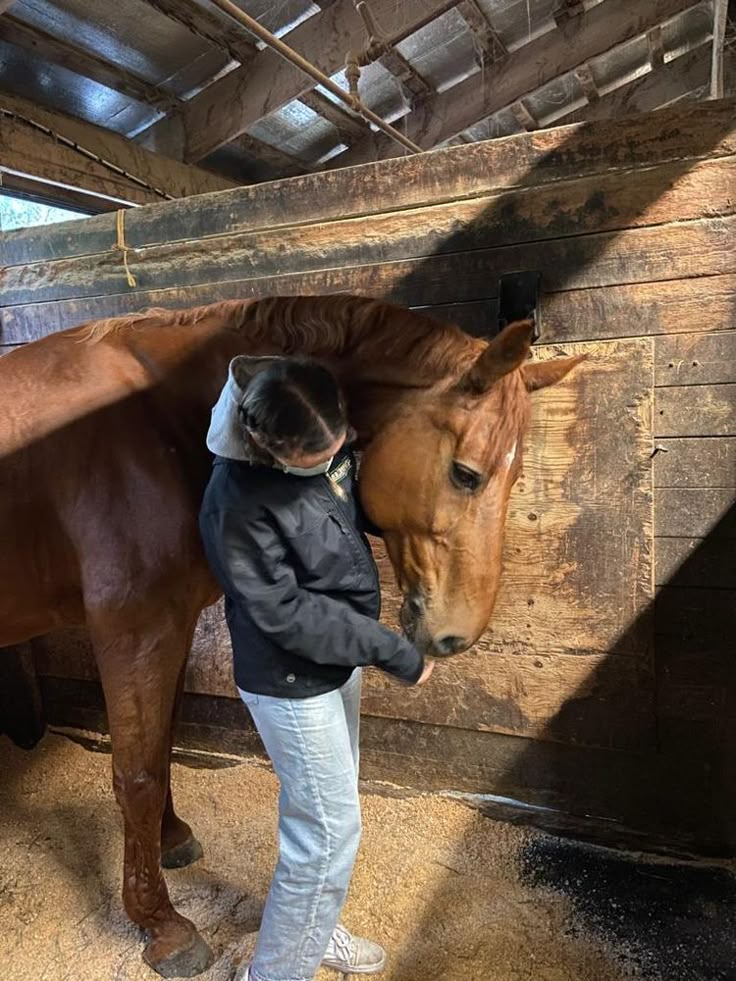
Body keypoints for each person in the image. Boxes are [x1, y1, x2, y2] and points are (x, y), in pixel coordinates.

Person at [199, 354, 434, 981]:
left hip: (337, 660)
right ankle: (275, 973)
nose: (331, 460)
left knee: (321, 813)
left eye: (338, 446)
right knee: (327, 835)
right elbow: (286, 614)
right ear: (267, 445)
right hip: (289, 681)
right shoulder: (236, 504)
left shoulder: (316, 432)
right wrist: (392, 650)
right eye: (316, 456)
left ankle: (312, 931)